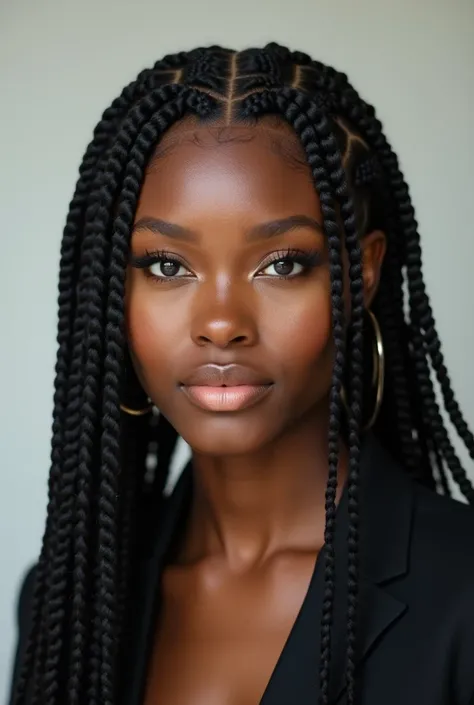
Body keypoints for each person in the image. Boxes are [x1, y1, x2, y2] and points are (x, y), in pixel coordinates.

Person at [8, 43, 474, 705]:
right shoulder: (65, 603)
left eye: (282, 263)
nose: (221, 321)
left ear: (361, 274)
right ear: (114, 287)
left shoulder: (462, 593)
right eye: (167, 265)